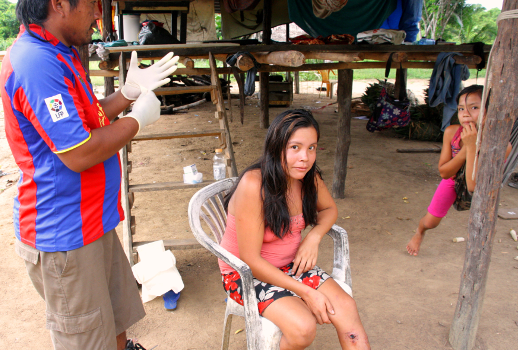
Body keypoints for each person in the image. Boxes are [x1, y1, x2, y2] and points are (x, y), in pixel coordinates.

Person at [0, 0, 178, 349]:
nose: (100, 15)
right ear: (58, 4)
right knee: (88, 339)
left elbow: (86, 118)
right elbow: (80, 152)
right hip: (65, 235)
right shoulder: (36, 63)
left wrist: (127, 95)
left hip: (92, 222)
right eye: (93, 4)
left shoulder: (58, 52)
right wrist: (137, 120)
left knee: (113, 322)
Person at [219, 110, 370, 350]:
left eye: (312, 148)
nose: (305, 158)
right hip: (245, 275)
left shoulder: (308, 178)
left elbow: (329, 209)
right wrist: (306, 292)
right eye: (295, 147)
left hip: (290, 266)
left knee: (346, 309)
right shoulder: (254, 185)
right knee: (303, 328)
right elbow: (250, 260)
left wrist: (314, 236)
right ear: (276, 147)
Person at [406, 85, 512, 256]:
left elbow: (473, 187)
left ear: (491, 111)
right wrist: (466, 149)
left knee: (483, 226)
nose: (465, 114)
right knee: (431, 222)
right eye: (461, 108)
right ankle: (419, 232)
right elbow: (444, 173)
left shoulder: (501, 146)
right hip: (453, 178)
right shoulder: (452, 132)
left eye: (474, 107)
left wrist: (472, 146)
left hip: (482, 187)